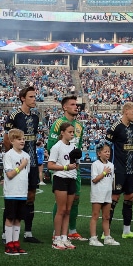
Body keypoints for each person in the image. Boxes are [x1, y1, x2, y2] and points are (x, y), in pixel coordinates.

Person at [4, 86, 44, 244]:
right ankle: (5, 233)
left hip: (31, 162)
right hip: (17, 162)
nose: (34, 99)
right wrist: (12, 157)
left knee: (31, 196)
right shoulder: (14, 116)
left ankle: (28, 232)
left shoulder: (35, 117)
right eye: (32, 96)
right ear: (23, 98)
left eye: (35, 96)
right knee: (13, 198)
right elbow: (7, 138)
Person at [47, 96, 85, 240]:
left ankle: (71, 230)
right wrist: (61, 165)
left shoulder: (80, 126)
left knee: (76, 197)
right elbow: (51, 146)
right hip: (60, 168)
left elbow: (78, 148)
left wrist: (76, 164)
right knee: (61, 201)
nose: (76, 106)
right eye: (73, 104)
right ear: (65, 107)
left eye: (77, 104)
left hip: (74, 169)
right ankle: (56, 233)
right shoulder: (58, 124)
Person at [108, 101, 133, 239]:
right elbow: (107, 147)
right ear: (126, 111)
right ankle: (106, 231)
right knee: (114, 198)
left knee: (130, 197)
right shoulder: (115, 127)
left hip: (130, 168)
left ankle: (127, 231)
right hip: (117, 168)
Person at [48, 121, 80, 250]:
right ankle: (56, 239)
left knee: (68, 210)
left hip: (72, 178)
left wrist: (74, 167)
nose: (72, 134)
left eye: (73, 132)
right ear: (62, 133)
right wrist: (65, 167)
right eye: (69, 132)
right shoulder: (57, 147)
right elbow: (50, 165)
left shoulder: (73, 147)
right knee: (61, 210)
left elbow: (76, 163)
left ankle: (64, 237)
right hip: (60, 178)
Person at [1, 129, 32, 256]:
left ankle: (16, 242)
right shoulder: (8, 155)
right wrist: (21, 166)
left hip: (22, 192)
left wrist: (24, 165)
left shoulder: (26, 156)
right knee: (10, 217)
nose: (22, 141)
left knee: (18, 218)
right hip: (11, 192)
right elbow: (9, 174)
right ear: (12, 141)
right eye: (19, 139)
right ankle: (9, 244)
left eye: (23, 139)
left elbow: (27, 174)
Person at [88, 143, 117, 246]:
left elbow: (111, 180)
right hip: (98, 193)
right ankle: (93, 238)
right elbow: (94, 180)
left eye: (109, 151)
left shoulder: (111, 165)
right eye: (105, 151)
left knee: (106, 216)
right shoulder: (95, 164)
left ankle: (107, 237)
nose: (108, 153)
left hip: (107, 193)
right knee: (95, 215)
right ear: (99, 153)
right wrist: (104, 173)